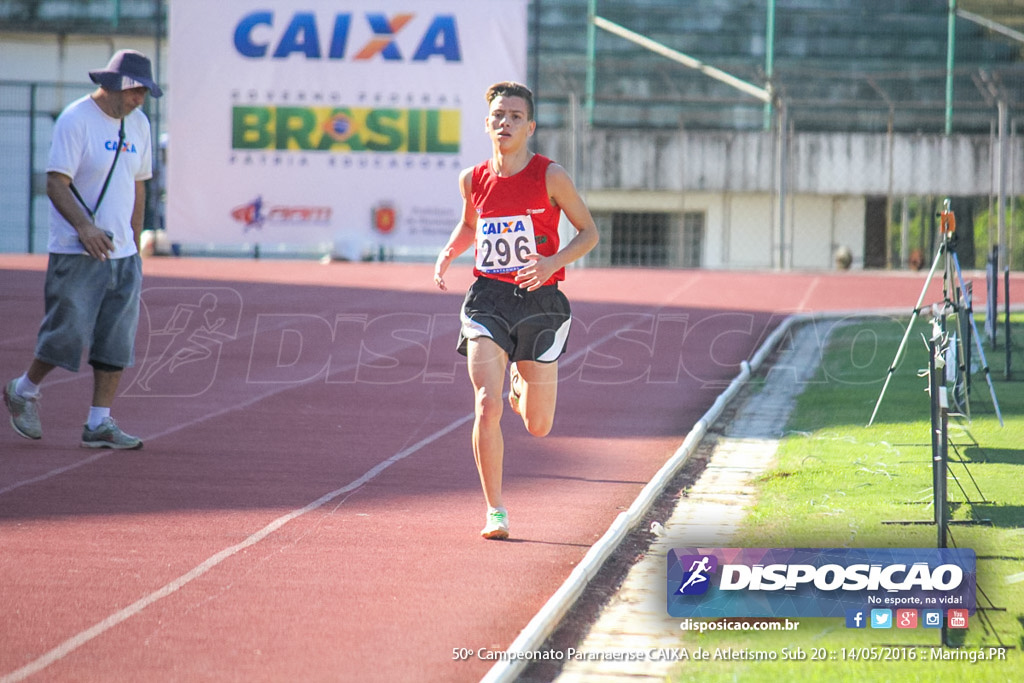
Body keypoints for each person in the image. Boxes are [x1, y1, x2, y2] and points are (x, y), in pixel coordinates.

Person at [433, 82, 599, 540]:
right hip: (489, 299)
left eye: (514, 116)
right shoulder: (472, 178)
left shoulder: (551, 176)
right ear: (487, 123)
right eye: (498, 115)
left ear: (530, 127)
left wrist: (551, 263)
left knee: (539, 425)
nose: (504, 122)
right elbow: (471, 223)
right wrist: (451, 249)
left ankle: (520, 380)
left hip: (541, 302)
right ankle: (496, 511)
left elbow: (588, 233)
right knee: (486, 405)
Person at [3, 49, 162, 449]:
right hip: (77, 250)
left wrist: (135, 240)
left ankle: (99, 423)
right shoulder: (76, 119)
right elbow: (56, 181)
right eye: (137, 91)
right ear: (114, 85)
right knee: (66, 334)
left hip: (123, 254)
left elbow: (139, 183)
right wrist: (85, 228)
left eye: (144, 93)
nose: (140, 100)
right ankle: (23, 389)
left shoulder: (138, 124)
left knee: (116, 340)